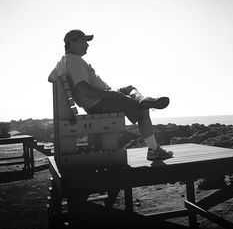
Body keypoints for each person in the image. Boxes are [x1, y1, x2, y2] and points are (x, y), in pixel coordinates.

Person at [48, 29, 173, 161]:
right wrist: (109, 94)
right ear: (72, 42)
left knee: (129, 88)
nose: (87, 45)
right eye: (83, 41)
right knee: (142, 110)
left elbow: (51, 78)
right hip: (99, 102)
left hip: (98, 100)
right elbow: (84, 90)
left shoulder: (63, 61)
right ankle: (154, 150)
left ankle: (142, 99)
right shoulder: (75, 61)